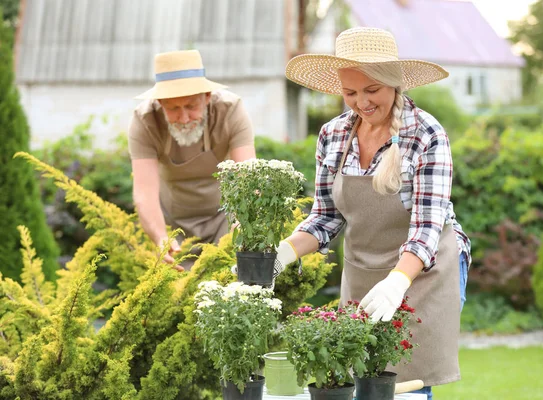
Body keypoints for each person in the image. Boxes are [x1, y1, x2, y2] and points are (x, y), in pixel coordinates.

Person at [273, 27, 471, 399]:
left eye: (371, 90)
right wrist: (281, 254)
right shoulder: (332, 135)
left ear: (393, 83)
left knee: (407, 387)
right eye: (350, 92)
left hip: (422, 271)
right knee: (359, 384)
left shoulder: (426, 133)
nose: (361, 102)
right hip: (363, 272)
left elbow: (428, 226)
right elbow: (325, 217)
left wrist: (398, 282)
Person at [128, 50, 256, 270]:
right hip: (171, 226)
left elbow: (249, 177)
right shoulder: (144, 121)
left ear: (207, 97)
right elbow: (144, 193)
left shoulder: (230, 111)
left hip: (224, 219)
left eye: (191, 106)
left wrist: (242, 223)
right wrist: (161, 238)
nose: (184, 118)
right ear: (160, 102)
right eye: (173, 109)